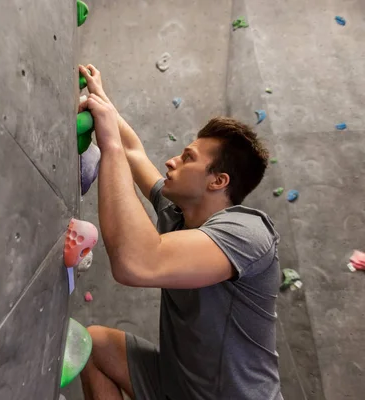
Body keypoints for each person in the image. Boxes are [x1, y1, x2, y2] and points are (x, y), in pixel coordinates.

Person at [77, 64, 282, 400]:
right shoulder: (177, 213)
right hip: (175, 387)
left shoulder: (248, 233)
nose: (172, 161)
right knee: (94, 346)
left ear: (218, 181)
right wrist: (101, 99)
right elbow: (133, 153)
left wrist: (108, 147)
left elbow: (137, 263)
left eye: (188, 158)